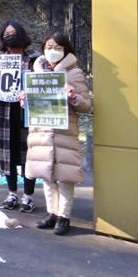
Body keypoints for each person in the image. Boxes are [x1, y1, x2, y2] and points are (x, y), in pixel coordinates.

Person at [24, 31, 92, 235]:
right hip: (41, 131)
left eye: (58, 48)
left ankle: (64, 216)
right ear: (43, 49)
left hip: (64, 132)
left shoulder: (74, 73)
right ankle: (52, 213)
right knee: (46, 176)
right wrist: (24, 98)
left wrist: (73, 97)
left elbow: (86, 105)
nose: (53, 51)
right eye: (49, 47)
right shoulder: (37, 72)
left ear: (66, 50)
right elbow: (34, 101)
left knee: (65, 178)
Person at [0, 20, 37, 212]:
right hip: (4, 114)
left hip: (28, 113)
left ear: (22, 34)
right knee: (7, 154)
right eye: (6, 34)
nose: (10, 36)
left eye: (13, 32)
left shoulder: (35, 59)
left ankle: (28, 196)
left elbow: (43, 81)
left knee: (29, 155)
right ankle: (12, 193)